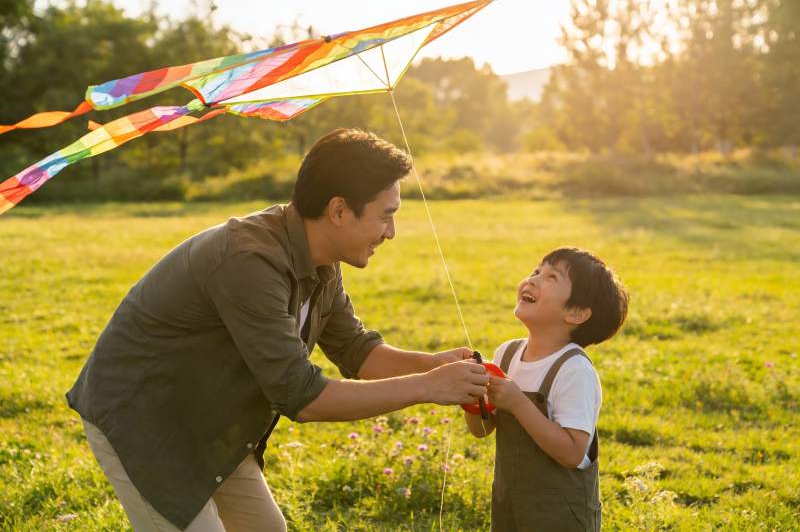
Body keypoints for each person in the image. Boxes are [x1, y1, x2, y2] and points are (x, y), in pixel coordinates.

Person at [68, 128, 489, 531]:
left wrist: (432, 365)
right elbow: (303, 398)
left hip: (206, 419)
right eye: (386, 216)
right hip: (145, 417)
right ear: (339, 210)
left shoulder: (322, 261)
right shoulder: (249, 260)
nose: (391, 233)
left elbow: (356, 350)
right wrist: (427, 386)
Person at [464, 247, 628, 532]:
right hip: (510, 506)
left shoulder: (574, 370)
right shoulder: (506, 354)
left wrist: (518, 404)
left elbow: (573, 453)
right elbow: (481, 429)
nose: (533, 279)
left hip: (561, 517)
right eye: (536, 271)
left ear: (576, 313)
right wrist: (470, 394)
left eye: (551, 277)